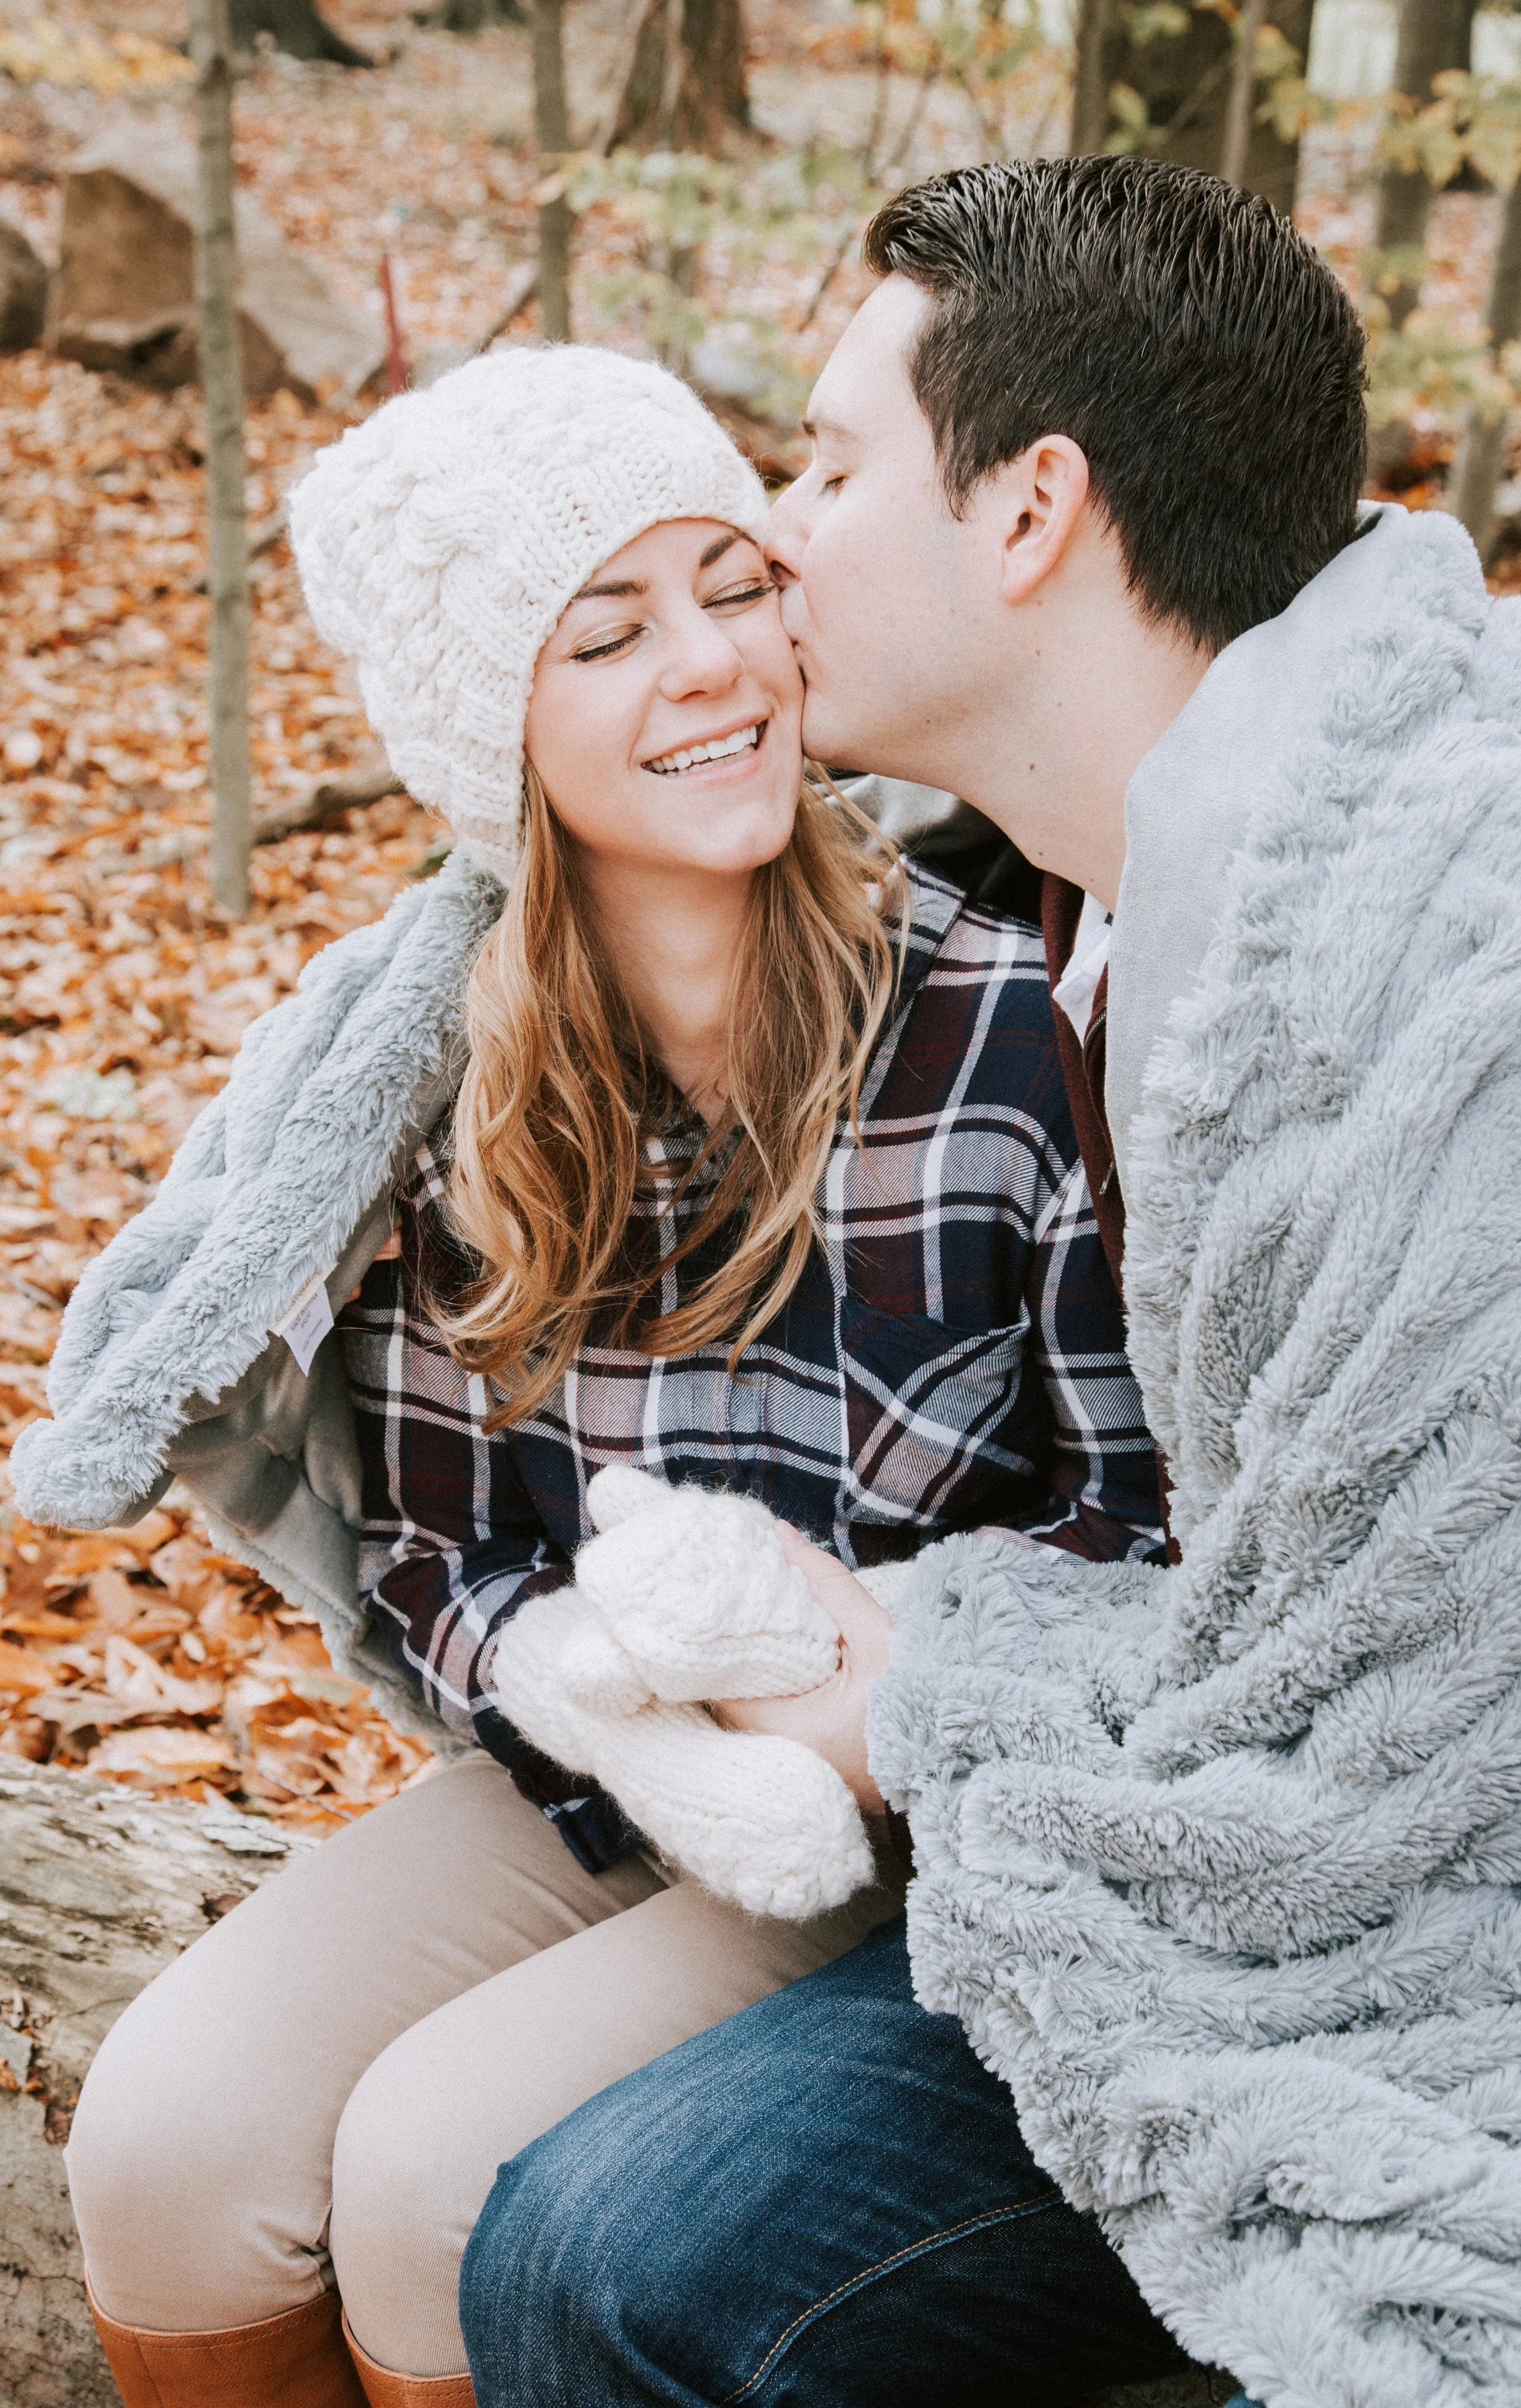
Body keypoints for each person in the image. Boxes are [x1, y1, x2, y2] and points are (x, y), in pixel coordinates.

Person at [451, 157, 1521, 2408]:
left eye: (829, 462)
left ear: (1029, 511)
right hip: (1153, 1817)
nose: (770, 533)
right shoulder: (1046, 889)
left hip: (1421, 1950)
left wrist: (916, 1685)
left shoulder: (1440, 966)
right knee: (583, 2247)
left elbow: (1415, 1746)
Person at [23, 340, 1167, 2408]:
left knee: (430, 2171)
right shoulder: (464, 1076)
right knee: (169, 2142)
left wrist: (858, 1700)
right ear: (497, 728)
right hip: (607, 1778)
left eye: (735, 585)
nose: (711, 668)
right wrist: (565, 1696)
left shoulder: (1007, 1029)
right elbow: (435, 1547)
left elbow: (1142, 1524)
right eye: (609, 633)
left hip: (913, 1814)